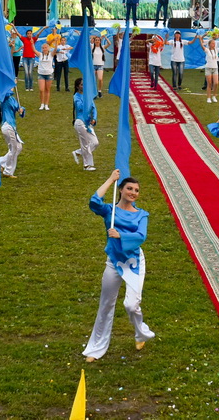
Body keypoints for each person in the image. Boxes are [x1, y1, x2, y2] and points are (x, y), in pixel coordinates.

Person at [83, 169, 155, 362]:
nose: (133, 192)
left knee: (131, 305)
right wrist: (110, 180)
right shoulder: (109, 210)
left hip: (133, 262)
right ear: (121, 190)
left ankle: (141, 333)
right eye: (129, 188)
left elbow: (141, 236)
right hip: (114, 261)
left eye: (137, 190)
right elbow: (93, 202)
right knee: (106, 304)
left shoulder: (142, 214)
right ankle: (96, 348)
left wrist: (120, 235)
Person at [72, 77, 98, 171]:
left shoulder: (88, 96)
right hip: (80, 122)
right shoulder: (76, 96)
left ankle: (78, 152)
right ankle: (87, 165)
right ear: (77, 86)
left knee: (95, 142)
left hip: (88, 123)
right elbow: (79, 108)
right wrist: (86, 102)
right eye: (82, 85)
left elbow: (94, 108)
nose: (84, 86)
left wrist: (94, 118)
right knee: (85, 144)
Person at [0, 89, 24, 178]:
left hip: (12, 126)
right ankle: (8, 171)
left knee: (19, 147)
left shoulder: (12, 99)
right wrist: (11, 84)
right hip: (7, 125)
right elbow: (5, 93)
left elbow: (19, 109)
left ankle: (1, 162)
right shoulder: (4, 98)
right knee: (14, 148)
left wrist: (21, 110)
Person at [36, 42, 56, 110]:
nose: (44, 49)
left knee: (47, 89)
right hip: (41, 74)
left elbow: (55, 50)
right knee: (41, 89)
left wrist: (56, 42)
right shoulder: (40, 55)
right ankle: (42, 104)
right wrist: (32, 43)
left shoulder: (51, 54)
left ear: (48, 48)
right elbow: (34, 50)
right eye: (43, 48)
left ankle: (46, 104)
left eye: (46, 47)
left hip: (49, 74)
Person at [203, 38, 219, 104]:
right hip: (208, 68)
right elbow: (201, 45)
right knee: (209, 83)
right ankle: (208, 97)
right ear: (209, 44)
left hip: (215, 68)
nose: (214, 44)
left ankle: (214, 96)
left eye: (214, 43)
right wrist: (202, 36)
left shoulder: (216, 50)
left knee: (216, 83)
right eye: (212, 43)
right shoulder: (207, 50)